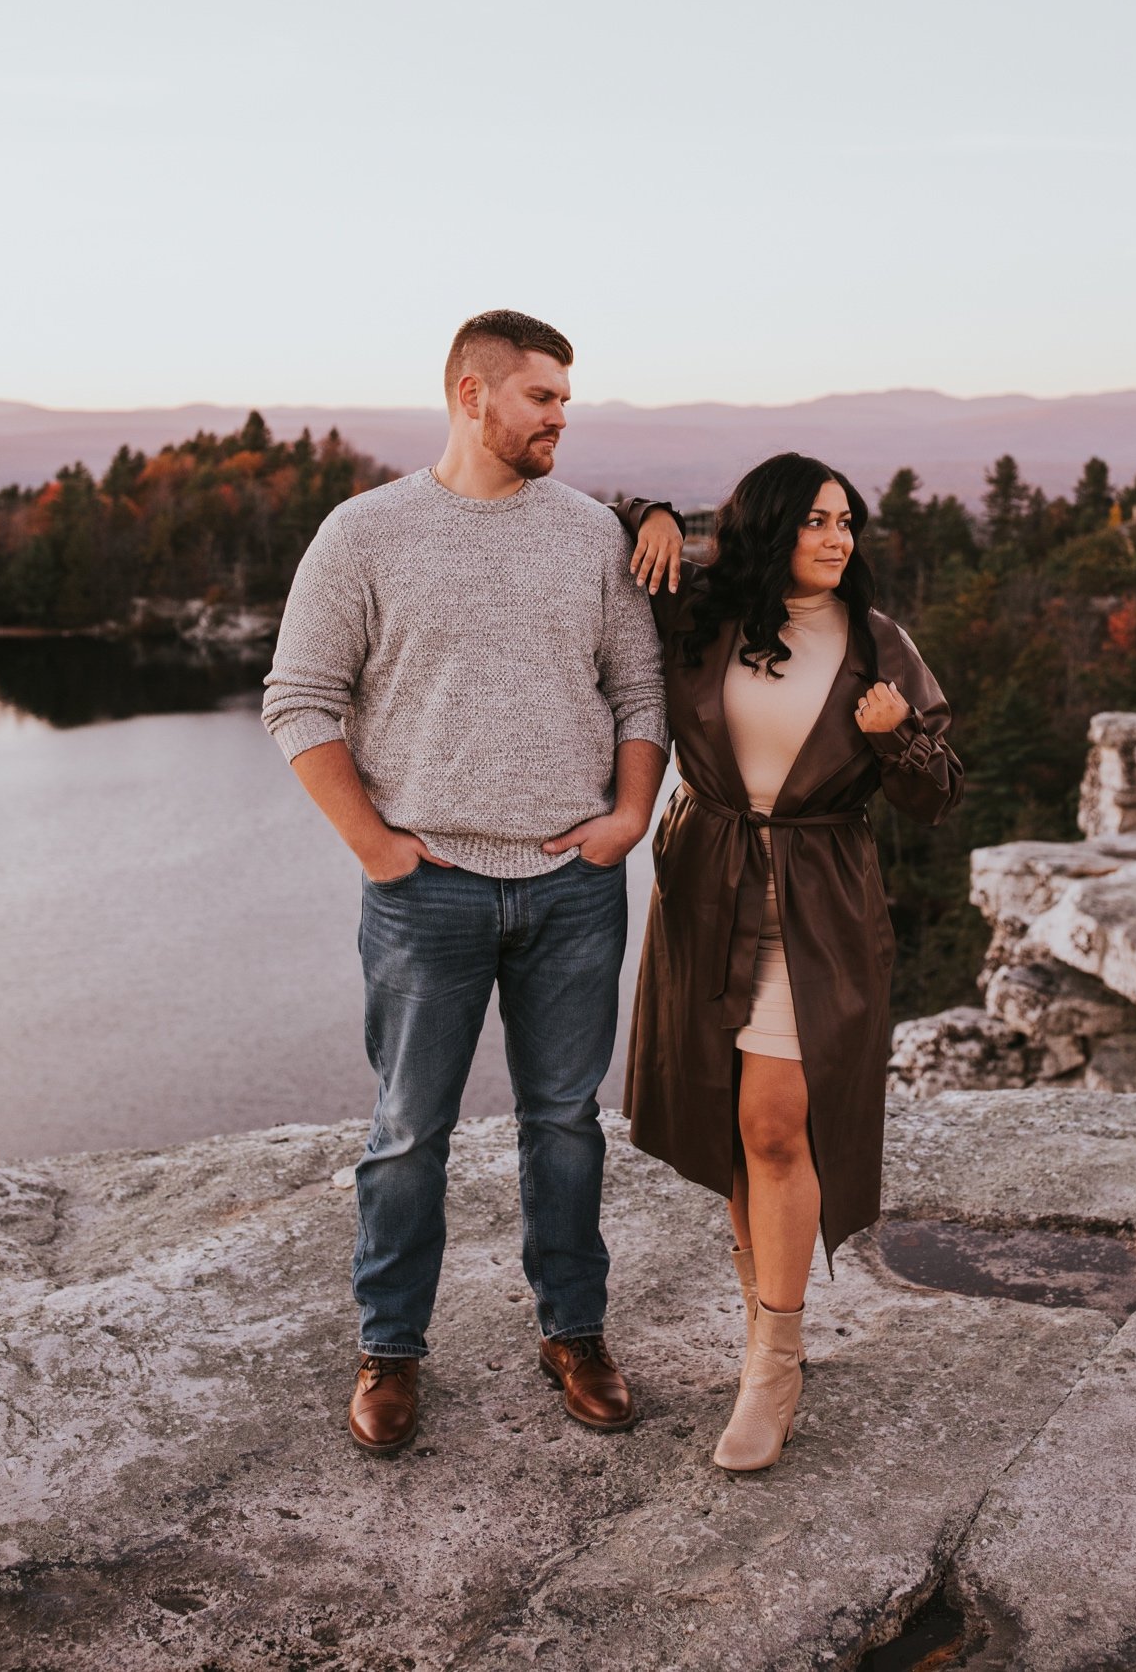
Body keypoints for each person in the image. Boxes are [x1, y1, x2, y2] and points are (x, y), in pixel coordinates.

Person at [262, 310, 668, 1455]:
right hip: (424, 891)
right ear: (470, 393)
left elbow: (640, 693)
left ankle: (574, 1334)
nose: (560, 418)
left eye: (564, 401)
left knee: (567, 1124)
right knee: (407, 1134)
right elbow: (299, 699)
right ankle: (390, 1353)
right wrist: (377, 848)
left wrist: (627, 818)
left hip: (571, 886)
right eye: (542, 398)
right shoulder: (365, 533)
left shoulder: (592, 534)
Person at [614, 454, 961, 1473]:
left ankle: (775, 1358)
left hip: (818, 905)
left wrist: (898, 742)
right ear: (768, 528)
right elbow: (595, 524)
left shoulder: (878, 644)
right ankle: (761, 1298)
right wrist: (654, 512)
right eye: (814, 521)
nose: (837, 538)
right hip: (709, 890)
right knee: (729, 1118)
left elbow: (939, 794)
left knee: (774, 1120)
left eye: (847, 522)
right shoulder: (704, 614)